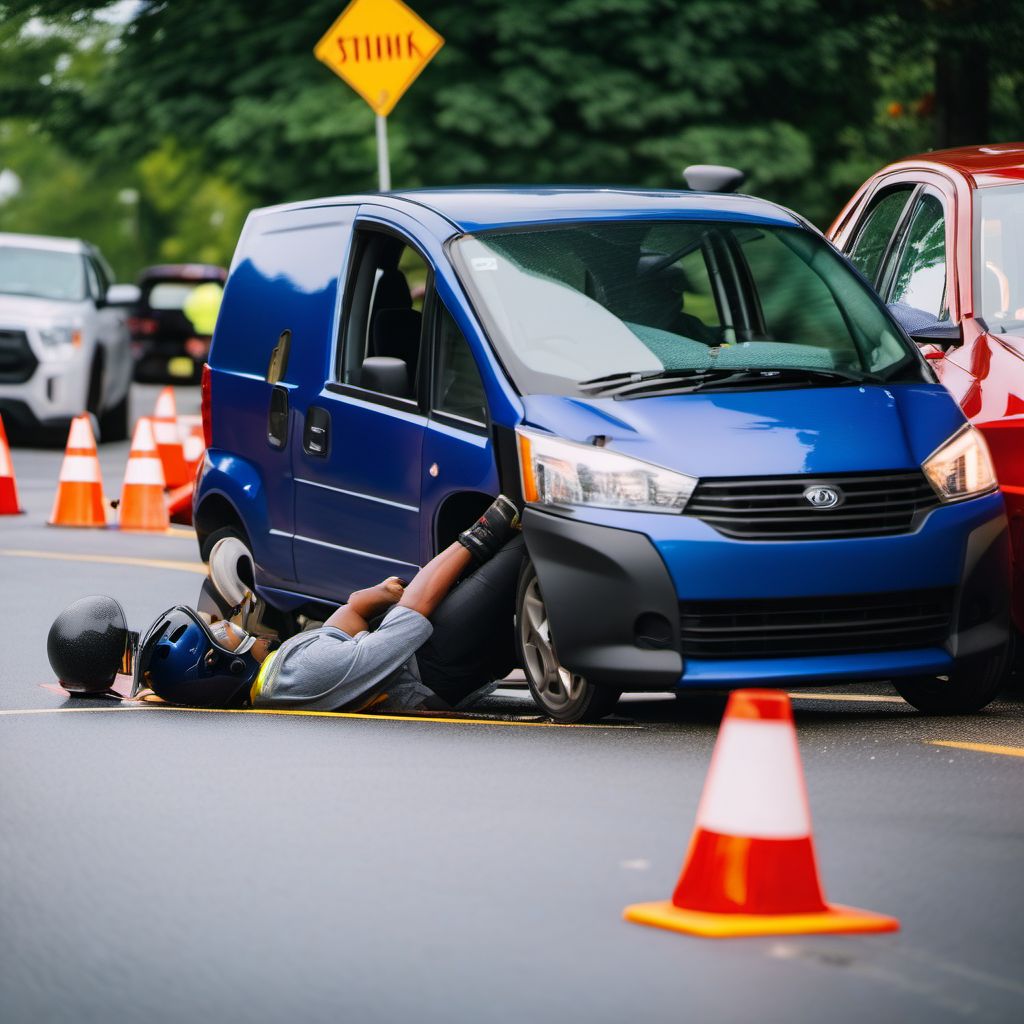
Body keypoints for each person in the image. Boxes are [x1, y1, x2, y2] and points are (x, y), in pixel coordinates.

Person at [46, 496, 524, 714]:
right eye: (219, 628)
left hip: (415, 653)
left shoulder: (275, 670)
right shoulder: (295, 677)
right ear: (221, 662)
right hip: (430, 668)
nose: (230, 621)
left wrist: (366, 598)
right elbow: (405, 625)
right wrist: (482, 532)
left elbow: (345, 625)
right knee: (527, 549)